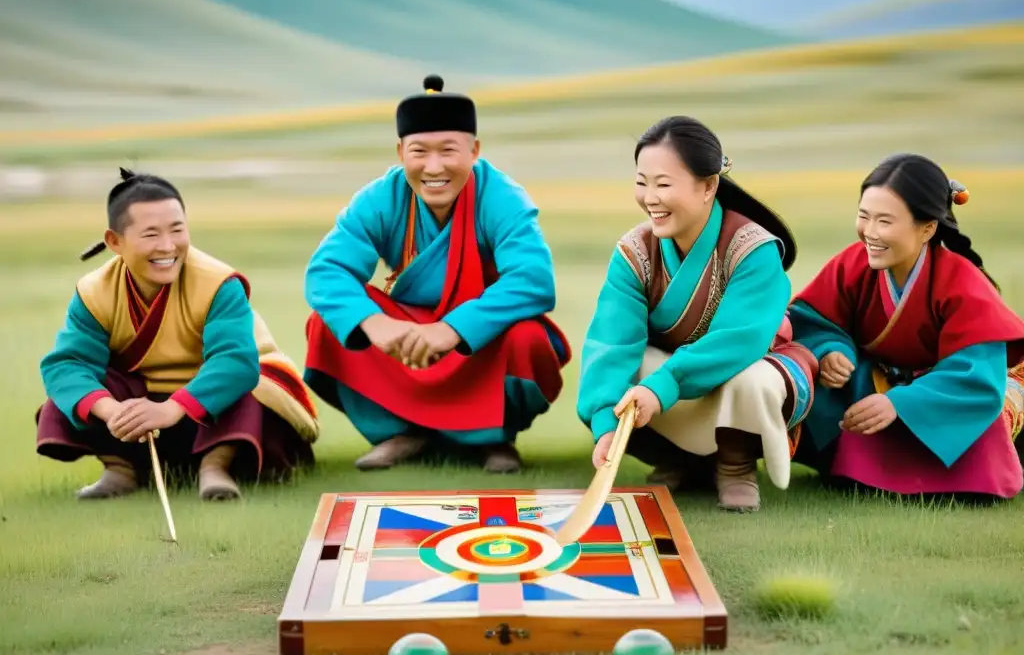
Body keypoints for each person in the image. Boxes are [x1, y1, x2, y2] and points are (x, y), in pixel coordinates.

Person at [304, 75, 571, 473]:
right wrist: (375, 323)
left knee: (528, 338)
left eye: (448, 151)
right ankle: (401, 431)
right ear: (400, 152)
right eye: (419, 152)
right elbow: (327, 270)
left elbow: (533, 279)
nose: (433, 167)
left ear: (474, 150)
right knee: (328, 325)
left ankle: (496, 438)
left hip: (479, 336)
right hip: (408, 337)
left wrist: (452, 329)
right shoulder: (382, 198)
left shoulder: (502, 197)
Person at [576, 116, 818, 512]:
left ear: (708, 186)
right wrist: (606, 425)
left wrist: (662, 387)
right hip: (669, 380)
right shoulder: (634, 252)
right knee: (624, 372)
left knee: (751, 379)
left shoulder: (752, 249)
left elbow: (739, 339)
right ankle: (680, 459)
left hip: (740, 370)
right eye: (642, 182)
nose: (650, 197)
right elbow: (612, 342)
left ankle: (735, 464)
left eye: (663, 184)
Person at [36, 169, 320, 501]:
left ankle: (216, 467)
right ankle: (120, 468)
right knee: (73, 393)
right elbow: (67, 364)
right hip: (142, 411)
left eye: (177, 230)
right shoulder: (93, 292)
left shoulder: (218, 284)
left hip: (213, 407)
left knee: (250, 385)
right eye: (151, 235)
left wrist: (173, 408)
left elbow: (235, 362)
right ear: (115, 241)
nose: (168, 246)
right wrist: (111, 410)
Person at [788, 153, 1024, 500]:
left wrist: (901, 403)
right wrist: (829, 351)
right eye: (863, 217)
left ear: (928, 227)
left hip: (940, 398)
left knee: (982, 426)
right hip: (875, 384)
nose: (870, 232)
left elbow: (976, 373)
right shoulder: (852, 265)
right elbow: (810, 320)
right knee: (800, 380)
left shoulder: (963, 282)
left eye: (885, 221)